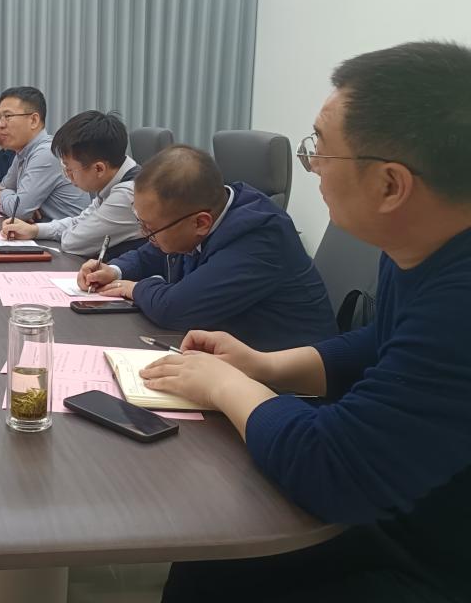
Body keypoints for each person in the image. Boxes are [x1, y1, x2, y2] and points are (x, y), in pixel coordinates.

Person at [140, 41, 471, 603]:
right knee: (212, 561)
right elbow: (384, 341)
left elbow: (331, 467)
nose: (311, 164)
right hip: (405, 503)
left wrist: (226, 384)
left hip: (436, 555)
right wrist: (265, 365)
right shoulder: (419, 245)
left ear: (391, 185)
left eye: (319, 147)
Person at [78, 145, 335, 350]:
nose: (145, 235)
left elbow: (175, 309)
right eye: (141, 223)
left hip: (288, 382)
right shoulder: (206, 208)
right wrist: (114, 270)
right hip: (230, 357)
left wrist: (134, 288)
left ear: (201, 223)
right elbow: (154, 253)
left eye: (150, 229)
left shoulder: (260, 237)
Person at [1, 110, 145, 258]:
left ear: (99, 169)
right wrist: (34, 230)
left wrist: (72, 230)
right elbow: (80, 220)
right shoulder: (113, 180)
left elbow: (74, 242)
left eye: (69, 169)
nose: (68, 176)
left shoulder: (128, 194)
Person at [0, 86, 90, 221]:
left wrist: (9, 198)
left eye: (7, 116)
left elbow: (18, 210)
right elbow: (2, 189)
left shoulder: (46, 153)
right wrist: (14, 199)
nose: (0, 124)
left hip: (67, 233)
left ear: (34, 120)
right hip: (41, 230)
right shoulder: (22, 151)